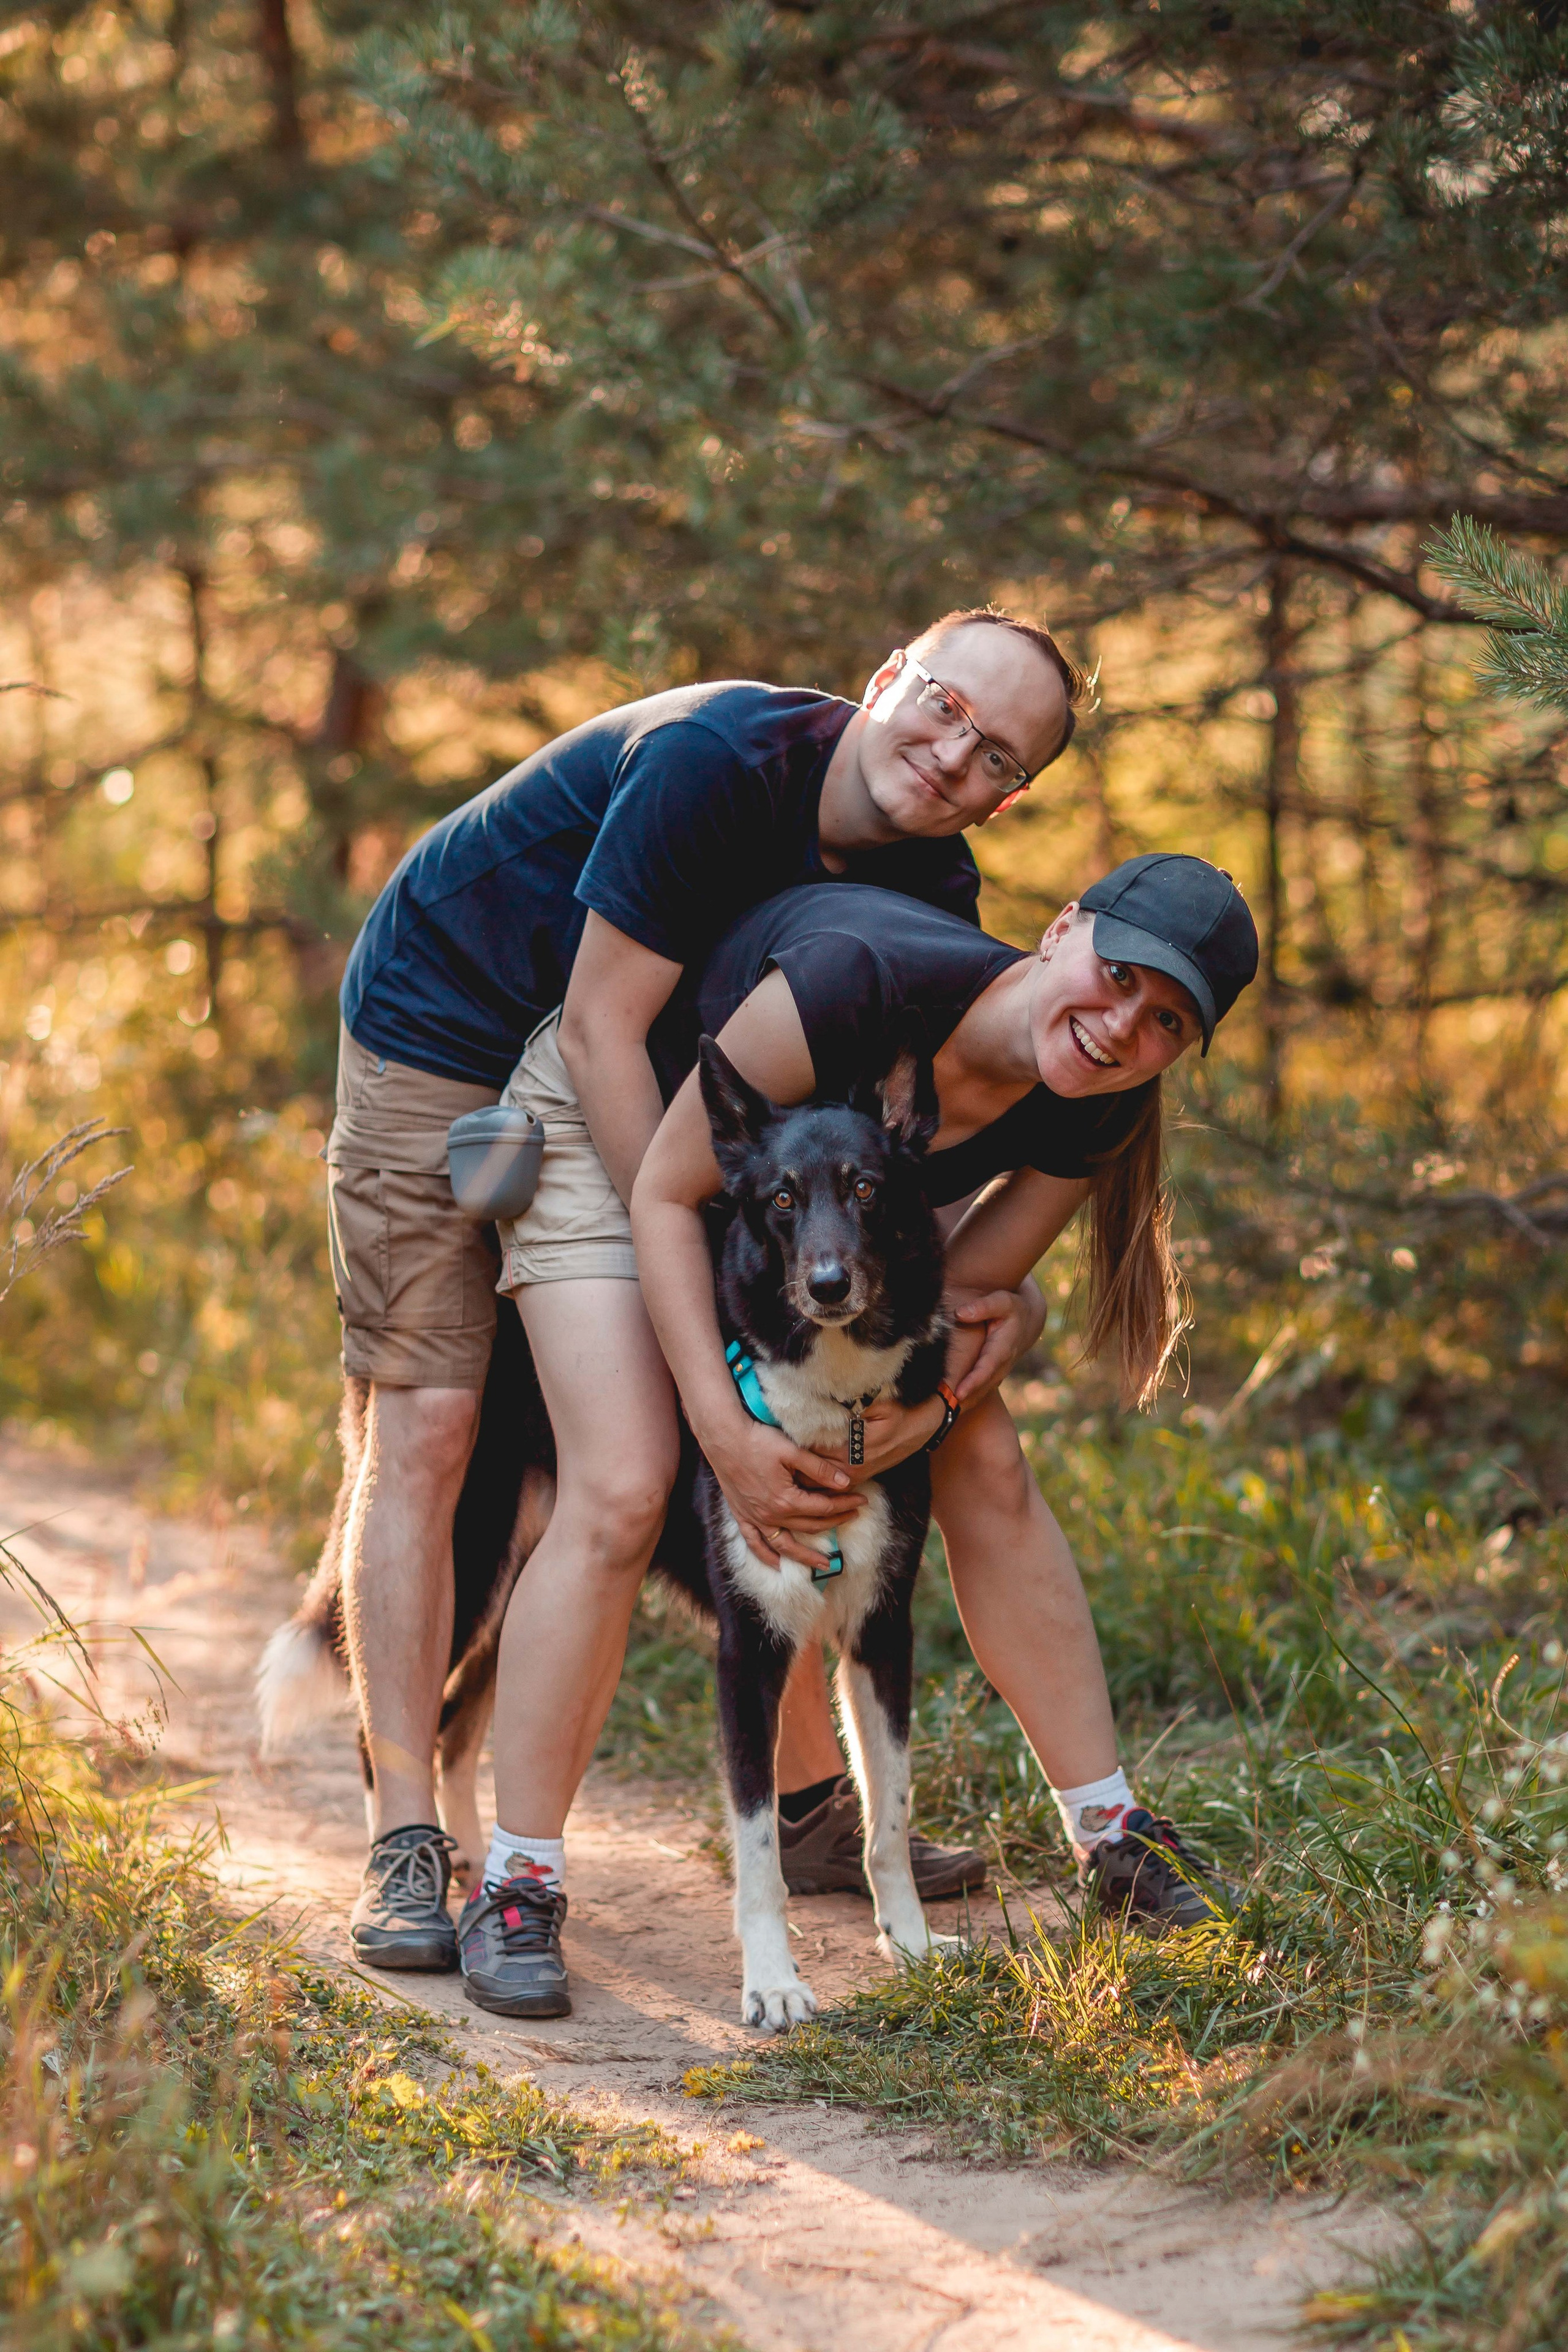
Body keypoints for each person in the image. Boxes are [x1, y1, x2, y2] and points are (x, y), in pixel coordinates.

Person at [325, 609, 1086, 1977]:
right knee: (435, 1422)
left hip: (658, 1093)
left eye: (993, 755)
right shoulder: (714, 760)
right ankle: (401, 1836)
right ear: (884, 678)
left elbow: (901, 1146)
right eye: (943, 706)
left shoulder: (933, 893)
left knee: (731, 1435)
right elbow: (599, 1028)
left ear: (1009, 796)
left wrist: (996, 1305)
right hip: (459, 1020)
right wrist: (725, 1303)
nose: (951, 753)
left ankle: (803, 1807)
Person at [551, 856, 1256, 2023]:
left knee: (978, 1452)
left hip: (812, 1257)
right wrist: (725, 1426)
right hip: (640, 1141)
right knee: (627, 1474)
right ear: (1065, 926)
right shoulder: (859, 984)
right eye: (1118, 975)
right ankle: (495, 1858)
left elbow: (949, 1301)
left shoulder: (1106, 1090)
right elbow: (671, 1192)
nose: (1125, 1023)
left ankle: (1109, 1832)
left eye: (1167, 1020)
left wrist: (923, 1409)